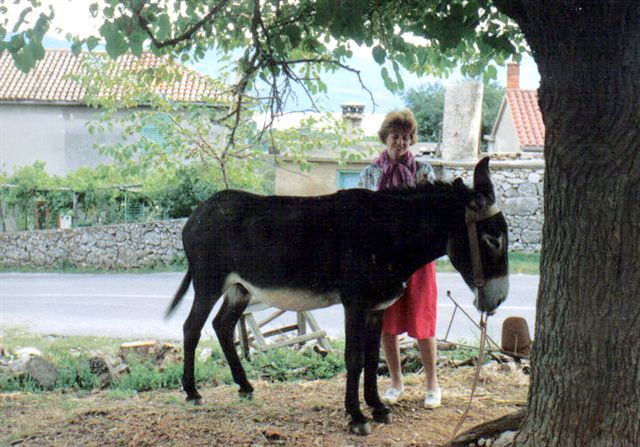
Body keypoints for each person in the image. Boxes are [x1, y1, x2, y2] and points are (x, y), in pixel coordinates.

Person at [358, 109, 441, 409]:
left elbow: (431, 218)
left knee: (423, 323)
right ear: (385, 138)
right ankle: (395, 383)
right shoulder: (370, 174)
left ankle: (432, 385)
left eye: (406, 137)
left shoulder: (424, 172)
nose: (401, 142)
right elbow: (363, 218)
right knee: (387, 325)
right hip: (384, 263)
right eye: (396, 136)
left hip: (417, 261)